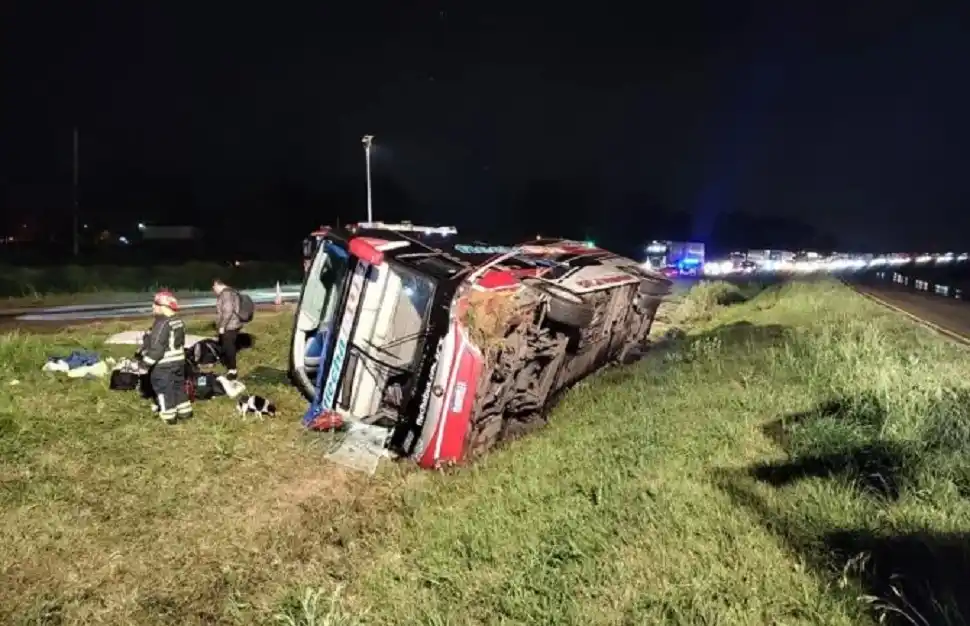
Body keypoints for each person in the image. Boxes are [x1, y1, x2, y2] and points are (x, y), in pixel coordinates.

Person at [138, 291, 192, 424]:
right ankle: (185, 412)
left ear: (163, 306)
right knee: (178, 387)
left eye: (155, 304)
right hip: (179, 362)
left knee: (163, 389)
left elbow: (157, 349)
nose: (153, 307)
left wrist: (144, 365)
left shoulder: (161, 323)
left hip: (164, 364)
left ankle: (169, 416)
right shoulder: (178, 321)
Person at [213, 278, 243, 380]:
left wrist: (222, 326)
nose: (213, 288)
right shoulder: (232, 292)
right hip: (234, 323)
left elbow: (228, 311)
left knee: (228, 347)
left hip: (230, 325)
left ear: (218, 284)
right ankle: (228, 365)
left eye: (214, 286)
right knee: (227, 346)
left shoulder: (226, 294)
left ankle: (232, 370)